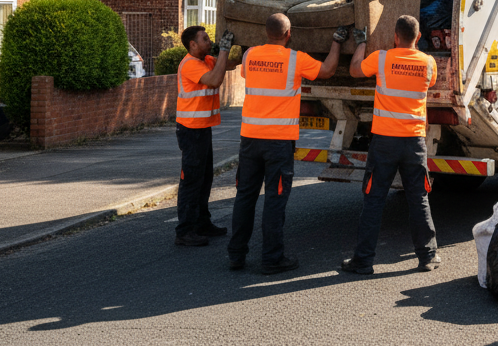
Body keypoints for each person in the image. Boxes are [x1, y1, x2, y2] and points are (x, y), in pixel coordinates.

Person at [227, 14, 343, 273]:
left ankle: (236, 255)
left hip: (250, 139)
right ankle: (271, 258)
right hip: (278, 142)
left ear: (265, 33)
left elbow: (247, 73)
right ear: (289, 34)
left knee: (245, 196)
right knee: (274, 199)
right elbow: (327, 71)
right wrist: (336, 42)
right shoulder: (295, 59)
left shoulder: (251, 55)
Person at [340, 16, 440, 275]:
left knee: (374, 200)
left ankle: (363, 261)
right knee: (418, 198)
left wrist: (361, 43)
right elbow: (428, 85)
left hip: (384, 142)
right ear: (417, 38)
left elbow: (354, 70)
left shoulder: (382, 58)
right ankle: (427, 256)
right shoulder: (428, 63)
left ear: (395, 36)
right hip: (414, 143)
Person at [174, 25, 238, 247]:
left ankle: (202, 223)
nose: (209, 41)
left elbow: (228, 65)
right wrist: (223, 50)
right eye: (204, 38)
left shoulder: (206, 59)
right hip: (190, 130)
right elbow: (214, 80)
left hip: (201, 128)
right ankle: (185, 230)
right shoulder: (190, 64)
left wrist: (233, 50)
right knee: (191, 180)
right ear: (193, 44)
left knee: (204, 178)